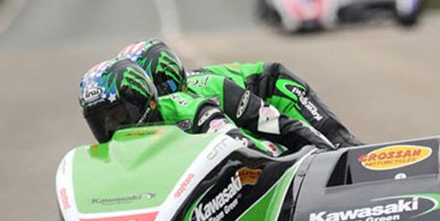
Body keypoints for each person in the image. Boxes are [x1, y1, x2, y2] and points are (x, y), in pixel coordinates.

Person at [118, 38, 361, 150]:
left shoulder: (207, 88)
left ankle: (359, 158)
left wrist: (325, 151)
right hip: (243, 112)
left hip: (272, 89)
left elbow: (266, 126)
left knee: (334, 141)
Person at [79, 56, 278, 153]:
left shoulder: (191, 107)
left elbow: (243, 147)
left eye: (116, 115)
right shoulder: (114, 151)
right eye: (98, 121)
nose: (110, 128)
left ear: (140, 100)